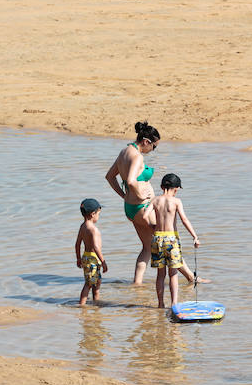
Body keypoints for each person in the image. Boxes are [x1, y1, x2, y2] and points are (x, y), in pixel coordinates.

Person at [105, 121, 200, 285]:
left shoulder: (124, 152)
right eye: (154, 147)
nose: (153, 150)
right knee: (169, 242)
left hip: (131, 209)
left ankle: (137, 284)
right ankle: (192, 278)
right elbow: (131, 180)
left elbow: (110, 177)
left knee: (147, 248)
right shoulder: (137, 156)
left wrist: (124, 196)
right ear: (146, 142)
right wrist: (140, 194)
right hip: (143, 208)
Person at [150, 173, 199, 308]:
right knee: (173, 274)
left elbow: (144, 215)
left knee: (160, 275)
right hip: (171, 239)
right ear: (176, 188)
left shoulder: (155, 200)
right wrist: (194, 236)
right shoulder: (176, 201)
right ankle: (174, 303)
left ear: (161, 186)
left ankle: (160, 303)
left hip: (157, 238)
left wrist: (153, 226)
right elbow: (184, 220)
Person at [75, 198, 108, 306]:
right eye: (98, 214)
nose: (99, 216)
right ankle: (81, 305)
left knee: (96, 282)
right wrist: (103, 262)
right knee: (89, 284)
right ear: (93, 214)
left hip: (86, 257)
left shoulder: (82, 226)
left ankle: (96, 302)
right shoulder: (93, 230)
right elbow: (96, 247)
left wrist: (78, 258)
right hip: (93, 259)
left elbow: (77, 244)